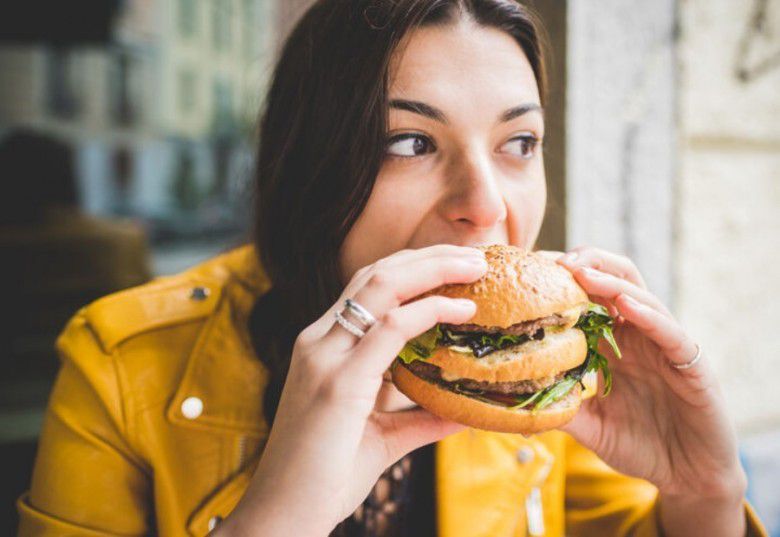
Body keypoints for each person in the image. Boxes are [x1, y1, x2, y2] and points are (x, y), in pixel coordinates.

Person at [17, 1, 767, 536]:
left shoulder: (537, 378)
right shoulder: (118, 362)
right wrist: (275, 520)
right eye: (409, 142)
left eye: (520, 142)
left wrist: (705, 493)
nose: (487, 207)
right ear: (311, 164)